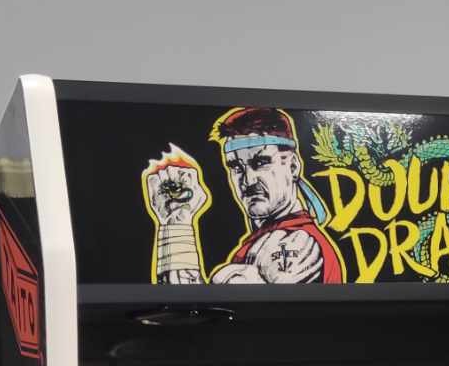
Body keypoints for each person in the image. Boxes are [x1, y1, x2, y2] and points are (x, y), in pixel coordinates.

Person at [143, 104, 344, 284]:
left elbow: (203, 310)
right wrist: (176, 220)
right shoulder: (264, 239)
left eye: (261, 162)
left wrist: (177, 229)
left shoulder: (295, 243)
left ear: (292, 166)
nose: (248, 180)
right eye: (236, 167)